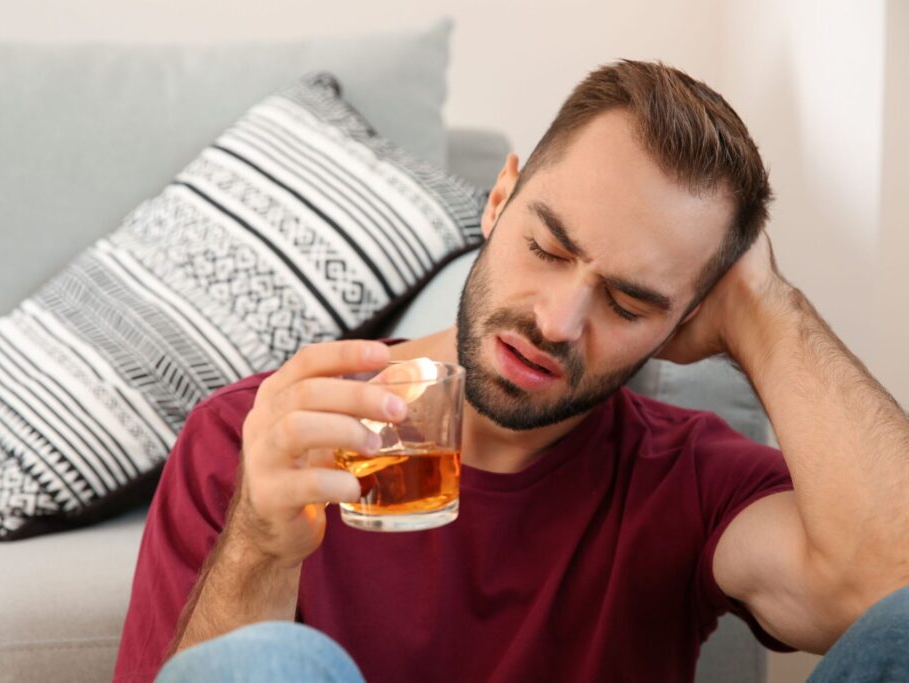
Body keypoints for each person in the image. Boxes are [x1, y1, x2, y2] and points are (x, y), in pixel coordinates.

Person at [113, 60, 909, 682]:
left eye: (630, 303)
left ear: (683, 324)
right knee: (274, 667)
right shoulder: (258, 438)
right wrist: (260, 543)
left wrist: (765, 307)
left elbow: (887, 587)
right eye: (548, 248)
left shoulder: (686, 479)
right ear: (500, 198)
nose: (557, 322)